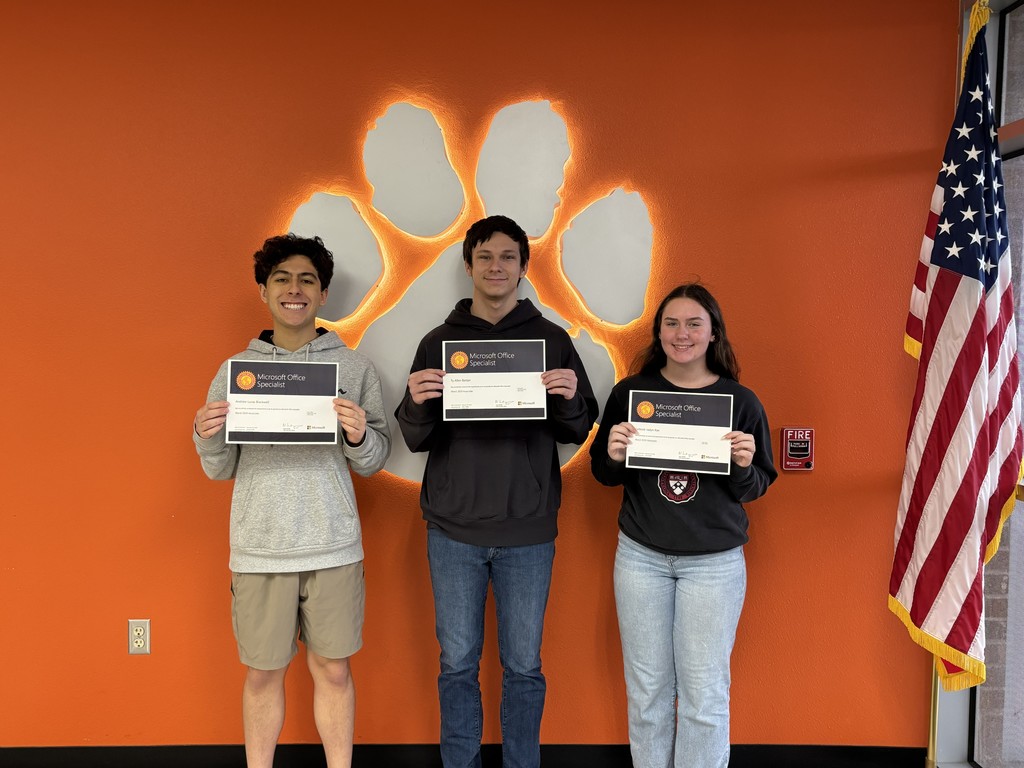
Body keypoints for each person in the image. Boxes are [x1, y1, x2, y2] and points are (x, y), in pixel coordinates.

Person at [396, 215, 598, 768]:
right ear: (468, 266)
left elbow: (578, 429)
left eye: (507, 257)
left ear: (523, 268)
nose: (495, 267)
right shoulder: (438, 343)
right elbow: (414, 436)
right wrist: (415, 400)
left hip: (528, 531)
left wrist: (570, 396)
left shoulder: (552, 340)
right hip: (454, 531)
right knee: (457, 665)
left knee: (524, 667)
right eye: (484, 256)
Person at [192, 234, 391, 768]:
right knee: (261, 674)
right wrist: (207, 433)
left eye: (307, 280)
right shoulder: (237, 370)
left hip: (333, 545)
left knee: (333, 671)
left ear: (323, 293)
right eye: (282, 278)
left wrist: (357, 436)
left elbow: (374, 459)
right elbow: (219, 467)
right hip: (260, 547)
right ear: (264, 291)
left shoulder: (353, 368)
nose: (294, 289)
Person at [589, 283, 776, 768]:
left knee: (704, 695)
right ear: (658, 332)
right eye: (671, 323)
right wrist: (612, 454)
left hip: (713, 566)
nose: (682, 333)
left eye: (694, 323)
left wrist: (741, 464)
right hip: (641, 558)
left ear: (713, 332)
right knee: (647, 692)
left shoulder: (741, 402)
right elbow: (604, 474)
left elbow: (755, 486)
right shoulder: (631, 395)